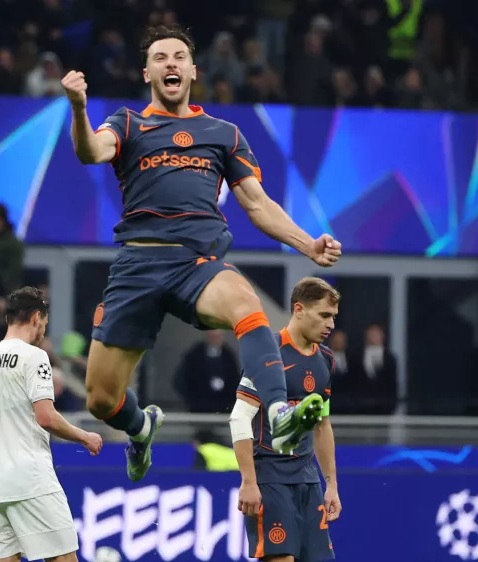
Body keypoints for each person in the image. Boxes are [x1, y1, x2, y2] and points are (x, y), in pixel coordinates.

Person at [61, 24, 342, 482]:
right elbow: (90, 151)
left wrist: (307, 243)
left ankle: (279, 415)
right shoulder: (128, 123)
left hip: (197, 262)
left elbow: (257, 203)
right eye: (160, 57)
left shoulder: (223, 133)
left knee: (247, 303)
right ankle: (141, 425)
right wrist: (78, 108)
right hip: (137, 265)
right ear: (147, 72)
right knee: (100, 399)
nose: (170, 63)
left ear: (193, 70)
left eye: (178, 56)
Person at [0, 287, 103, 562]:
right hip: (31, 479)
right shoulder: (34, 357)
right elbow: (45, 416)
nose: (44, 329)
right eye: (44, 322)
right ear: (35, 318)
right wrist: (84, 437)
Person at [231, 277, 342, 561]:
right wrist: (249, 482)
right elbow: (240, 417)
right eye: (324, 315)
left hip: (308, 482)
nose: (331, 324)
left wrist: (331, 485)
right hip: (270, 481)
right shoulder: (269, 354)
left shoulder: (326, 361)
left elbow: (321, 425)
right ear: (299, 309)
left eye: (333, 317)